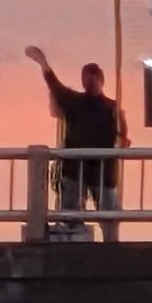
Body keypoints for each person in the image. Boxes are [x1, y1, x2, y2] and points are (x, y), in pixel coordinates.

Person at [25, 46, 129, 242]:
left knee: (109, 216)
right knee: (72, 214)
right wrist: (43, 63)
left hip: (103, 170)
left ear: (101, 80)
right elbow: (55, 86)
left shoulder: (112, 109)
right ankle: (75, 244)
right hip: (75, 168)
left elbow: (122, 137)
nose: (90, 82)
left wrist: (121, 142)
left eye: (94, 78)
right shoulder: (75, 102)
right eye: (87, 78)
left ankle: (112, 247)